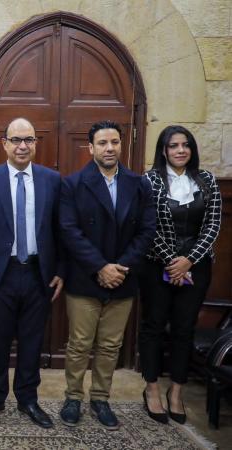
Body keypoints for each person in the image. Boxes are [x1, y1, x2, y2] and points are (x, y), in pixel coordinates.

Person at [58, 120, 156, 430]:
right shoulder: (73, 184)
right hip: (85, 278)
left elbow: (146, 231)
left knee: (110, 345)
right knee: (79, 344)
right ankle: (73, 397)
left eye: (114, 142)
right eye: (102, 143)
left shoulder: (139, 184)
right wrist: (100, 267)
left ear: (121, 145)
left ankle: (100, 399)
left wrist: (119, 268)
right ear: (91, 148)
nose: (109, 148)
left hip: (123, 279)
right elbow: (69, 231)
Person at [0, 118, 63, 428]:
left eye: (29, 140)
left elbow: (60, 230)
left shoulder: (52, 180)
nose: (23, 146)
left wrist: (60, 270)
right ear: (4, 144)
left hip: (39, 274)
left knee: (32, 341)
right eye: (16, 140)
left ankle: (28, 399)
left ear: (36, 143)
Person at [138, 125, 221, 425]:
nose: (180, 150)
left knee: (184, 329)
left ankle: (176, 392)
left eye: (185, 145)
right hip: (155, 265)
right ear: (164, 150)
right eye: (173, 145)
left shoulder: (207, 180)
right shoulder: (149, 181)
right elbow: (148, 225)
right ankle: (152, 390)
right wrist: (172, 260)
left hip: (197, 268)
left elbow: (213, 227)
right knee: (153, 326)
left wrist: (188, 262)